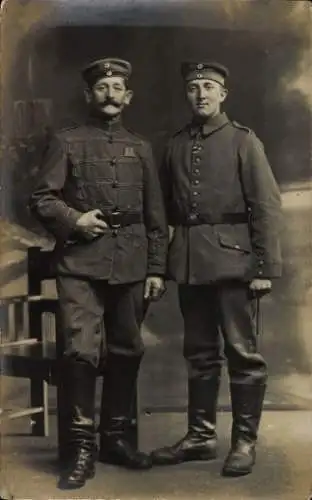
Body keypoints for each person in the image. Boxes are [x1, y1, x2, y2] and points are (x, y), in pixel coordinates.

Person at [30, 58, 168, 489]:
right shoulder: (67, 141)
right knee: (79, 353)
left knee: (127, 350)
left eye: (117, 87)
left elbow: (156, 216)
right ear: (89, 95)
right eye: (102, 86)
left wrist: (156, 269)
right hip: (80, 265)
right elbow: (42, 199)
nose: (110, 93)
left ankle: (115, 440)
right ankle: (79, 451)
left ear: (128, 97)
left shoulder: (141, 147)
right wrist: (76, 221)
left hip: (130, 262)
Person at [151, 61, 282, 477]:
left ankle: (244, 441)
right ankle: (201, 437)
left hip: (234, 264)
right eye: (193, 87)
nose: (201, 94)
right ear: (186, 95)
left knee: (243, 353)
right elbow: (165, 210)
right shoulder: (174, 145)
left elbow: (265, 207)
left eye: (209, 87)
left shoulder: (244, 142)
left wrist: (262, 267)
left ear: (224, 93)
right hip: (190, 262)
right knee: (200, 354)